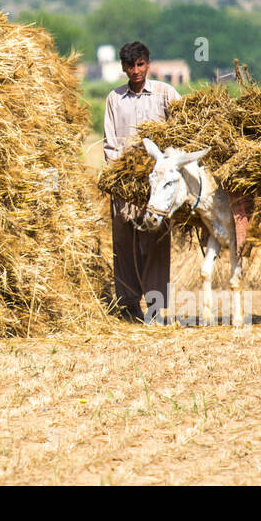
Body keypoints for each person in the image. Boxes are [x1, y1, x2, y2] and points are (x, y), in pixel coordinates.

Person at [102, 41, 181, 323]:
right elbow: (110, 145)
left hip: (156, 184)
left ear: (148, 64)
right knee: (123, 242)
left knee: (156, 242)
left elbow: (180, 134)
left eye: (140, 65)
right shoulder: (114, 98)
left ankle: (156, 307)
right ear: (123, 68)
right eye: (129, 66)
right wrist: (120, 175)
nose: (135, 71)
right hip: (124, 182)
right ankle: (127, 306)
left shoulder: (165, 93)